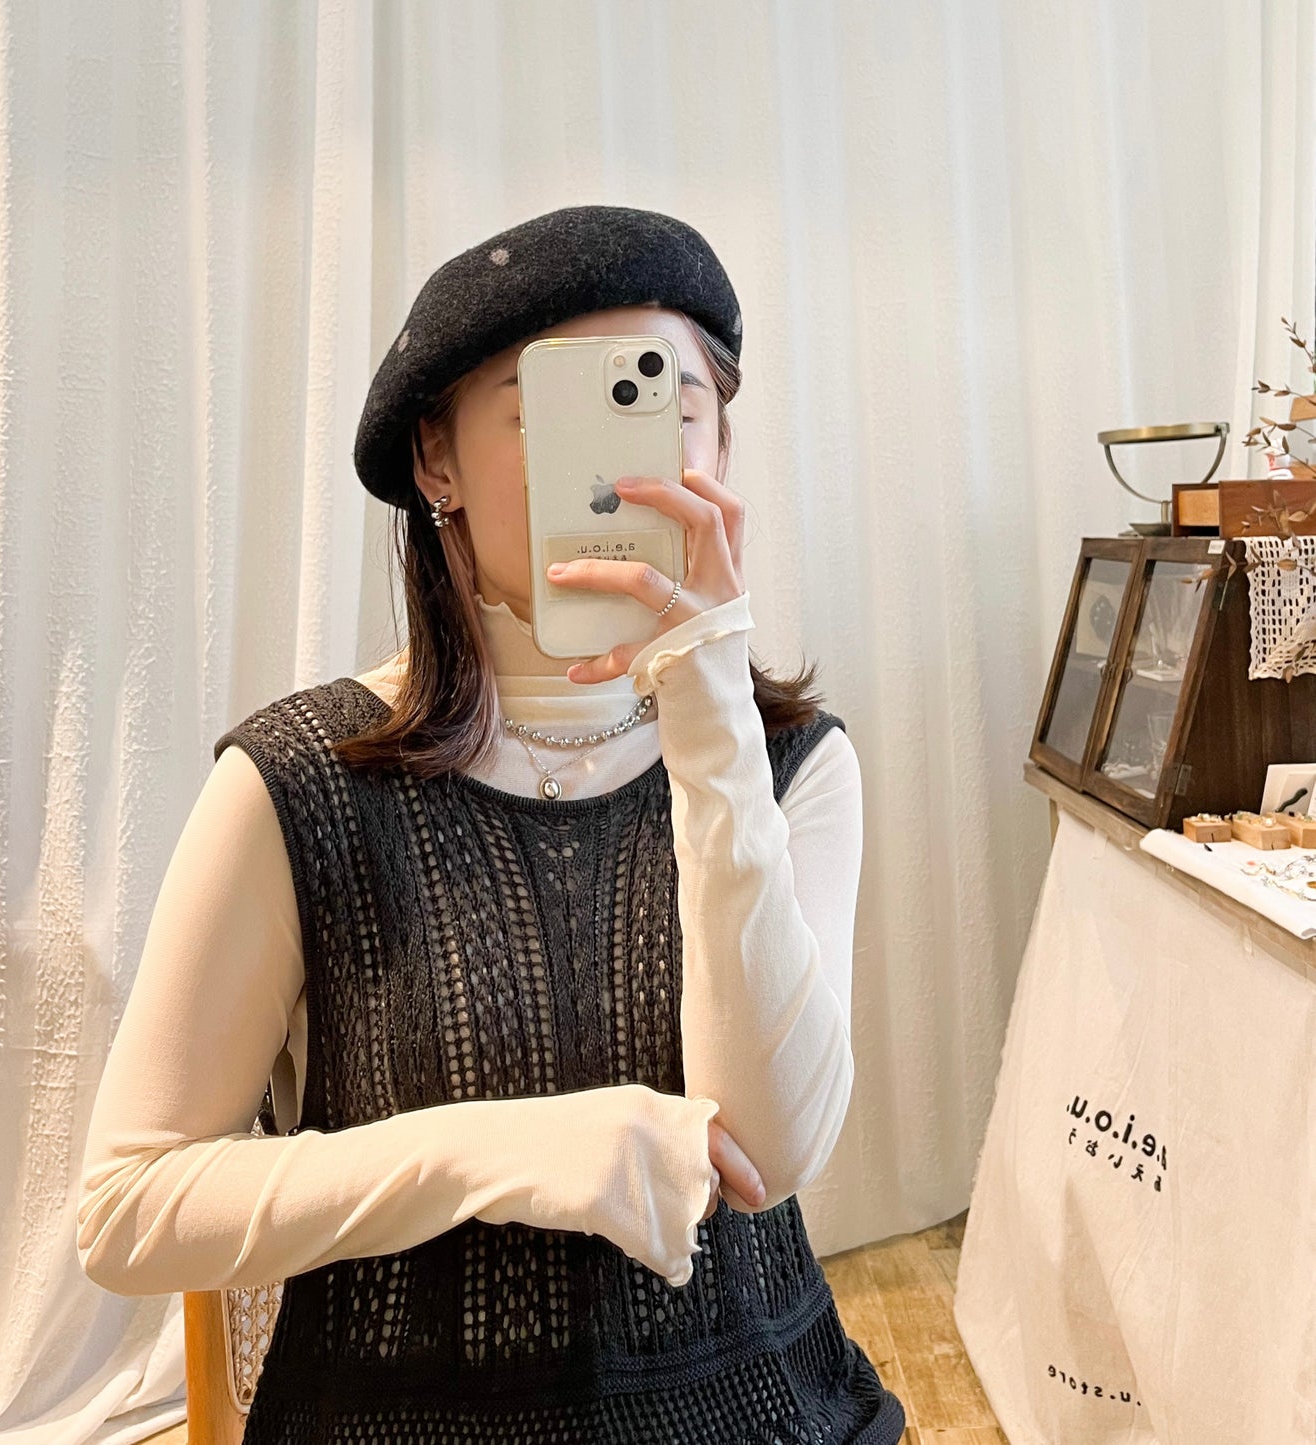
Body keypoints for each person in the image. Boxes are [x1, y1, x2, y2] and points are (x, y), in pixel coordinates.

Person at [77, 204, 906, 1443]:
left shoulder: (794, 764)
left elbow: (772, 1150)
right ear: (437, 463)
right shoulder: (296, 781)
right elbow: (128, 1208)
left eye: (667, 405)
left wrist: (709, 713)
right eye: (548, 410)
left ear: (720, 447)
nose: (617, 466)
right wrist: (501, 1153)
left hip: (762, 1408)